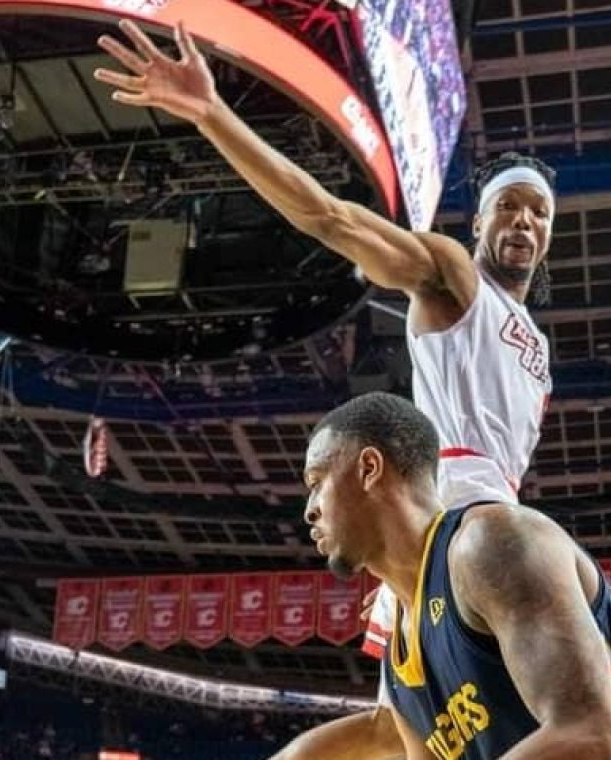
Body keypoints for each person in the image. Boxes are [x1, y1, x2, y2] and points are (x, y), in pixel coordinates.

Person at [95, 19, 555, 758]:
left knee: (400, 735)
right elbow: (332, 218)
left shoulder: (534, 342)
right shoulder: (454, 280)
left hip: (484, 529)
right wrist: (214, 113)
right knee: (525, 722)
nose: (525, 221)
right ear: (480, 224)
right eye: (510, 206)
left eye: (539, 212)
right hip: (456, 529)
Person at [302, 392, 611, 760]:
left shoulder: (490, 544)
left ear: (368, 468)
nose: (310, 509)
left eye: (316, 481)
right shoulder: (399, 662)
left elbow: (591, 739)